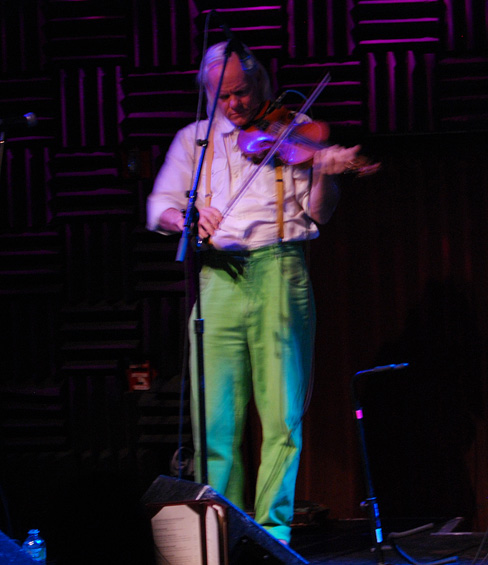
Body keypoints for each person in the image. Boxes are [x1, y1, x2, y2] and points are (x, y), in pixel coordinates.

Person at [147, 41, 360, 544]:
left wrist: (325, 173)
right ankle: (219, 533)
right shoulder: (193, 140)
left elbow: (321, 213)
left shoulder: (290, 127)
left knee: (281, 413)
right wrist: (185, 218)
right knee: (214, 418)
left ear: (259, 83)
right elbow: (159, 204)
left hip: (279, 269)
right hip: (217, 275)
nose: (236, 105)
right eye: (222, 97)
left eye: (242, 93)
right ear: (207, 95)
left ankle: (272, 535)